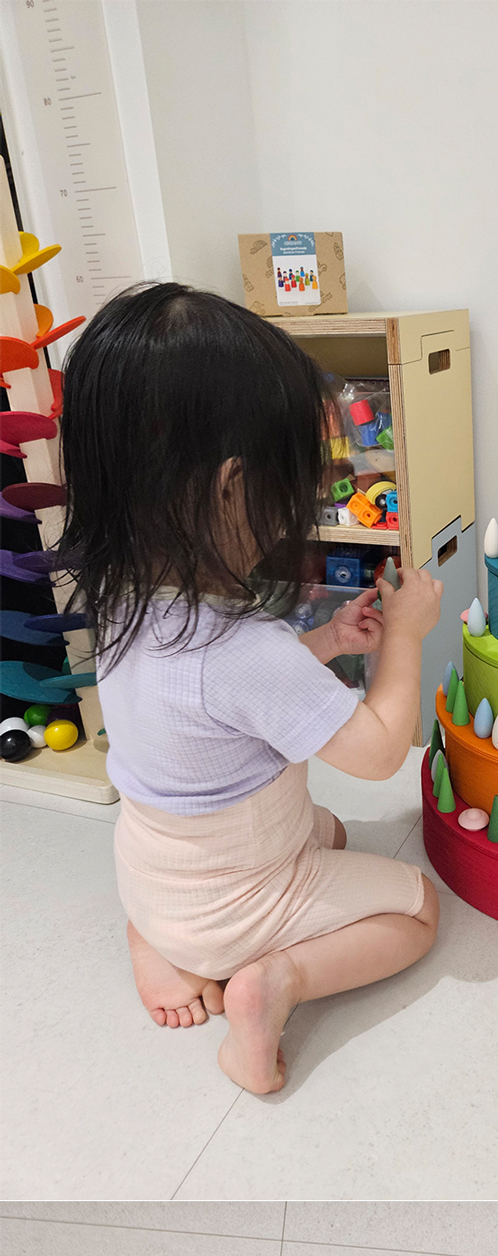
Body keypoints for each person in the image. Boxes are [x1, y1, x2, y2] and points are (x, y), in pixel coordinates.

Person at [56, 284, 441, 1095]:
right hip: (240, 900)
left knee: (333, 832)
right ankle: (273, 981)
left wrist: (327, 643)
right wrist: (405, 638)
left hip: (153, 877)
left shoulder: (123, 600)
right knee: (414, 910)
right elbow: (377, 755)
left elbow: (214, 703)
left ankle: (157, 941)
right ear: (234, 487)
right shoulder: (242, 646)